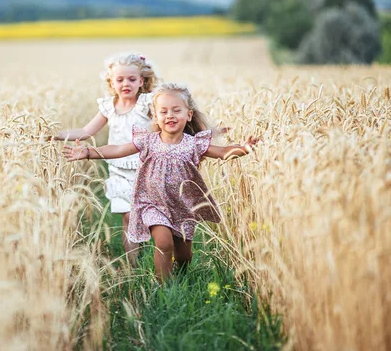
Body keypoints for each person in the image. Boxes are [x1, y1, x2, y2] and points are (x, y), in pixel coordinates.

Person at [63, 83, 259, 282]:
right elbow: (118, 149)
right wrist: (89, 153)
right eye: (163, 111)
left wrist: (244, 148)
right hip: (152, 203)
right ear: (156, 117)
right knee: (164, 243)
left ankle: (180, 277)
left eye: (176, 110)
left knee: (184, 255)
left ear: (188, 115)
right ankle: (164, 287)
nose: (170, 115)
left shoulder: (194, 144)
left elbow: (224, 153)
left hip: (183, 206)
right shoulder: (148, 141)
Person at [51, 53, 160, 267]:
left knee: (149, 217)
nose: (125, 84)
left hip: (147, 169)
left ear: (142, 81)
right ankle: (134, 265)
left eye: (131, 79)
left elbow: (168, 124)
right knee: (129, 217)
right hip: (119, 170)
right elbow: (85, 131)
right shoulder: (109, 107)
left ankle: (157, 257)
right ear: (111, 82)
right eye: (119, 80)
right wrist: (54, 135)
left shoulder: (148, 104)